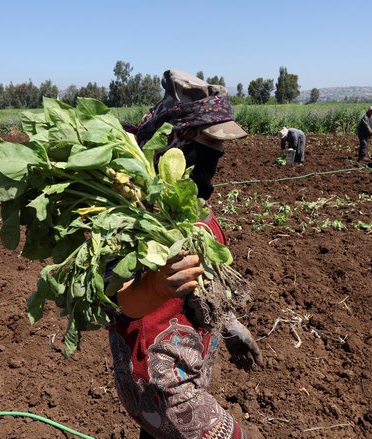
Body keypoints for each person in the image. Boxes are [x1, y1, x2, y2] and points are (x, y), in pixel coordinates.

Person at [106, 69, 264, 439]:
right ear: (176, 138)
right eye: (210, 142)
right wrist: (157, 286)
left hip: (189, 375)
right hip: (162, 388)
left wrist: (230, 325)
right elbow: (117, 302)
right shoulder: (128, 213)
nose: (220, 152)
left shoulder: (198, 209)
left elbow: (204, 287)